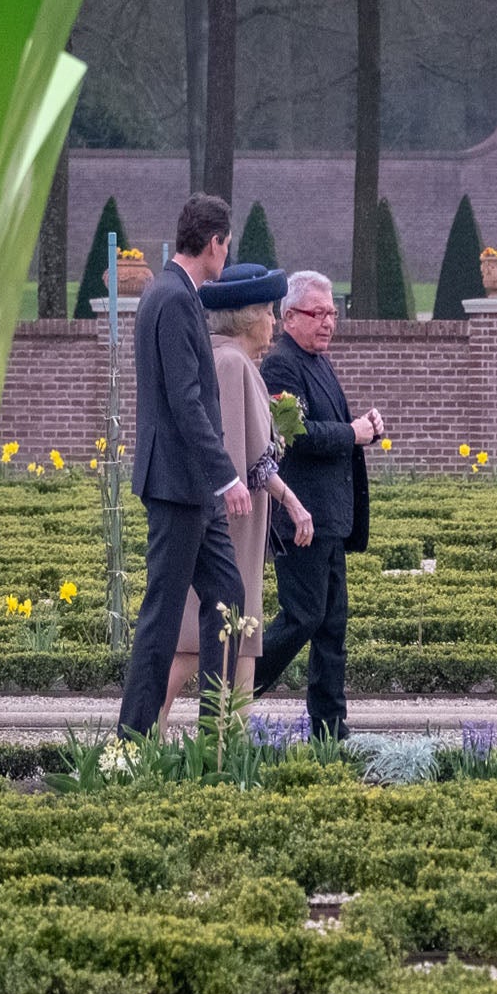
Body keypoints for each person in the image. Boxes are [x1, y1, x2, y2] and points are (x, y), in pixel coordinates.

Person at [116, 194, 252, 738]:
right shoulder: (173, 299)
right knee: (162, 617)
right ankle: (130, 742)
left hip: (191, 489)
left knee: (227, 596)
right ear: (215, 243)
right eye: (227, 243)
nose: (227, 252)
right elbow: (185, 400)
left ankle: (216, 734)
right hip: (179, 486)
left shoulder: (171, 294)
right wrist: (227, 474)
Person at [163, 262, 314, 710]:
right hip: (230, 528)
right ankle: (142, 737)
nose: (273, 322)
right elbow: (235, 460)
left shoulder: (233, 360)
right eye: (269, 312)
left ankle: (227, 749)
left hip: (235, 527)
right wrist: (293, 501)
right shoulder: (230, 362)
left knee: (239, 639)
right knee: (197, 641)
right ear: (249, 316)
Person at [252, 269, 381, 737]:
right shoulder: (280, 366)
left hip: (330, 518)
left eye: (332, 313)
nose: (328, 322)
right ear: (289, 317)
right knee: (304, 616)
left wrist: (362, 425)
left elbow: (328, 424)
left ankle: (331, 727)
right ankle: (239, 684)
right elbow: (293, 434)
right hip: (300, 520)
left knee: (331, 627)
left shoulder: (318, 360)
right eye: (318, 313)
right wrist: (353, 433)